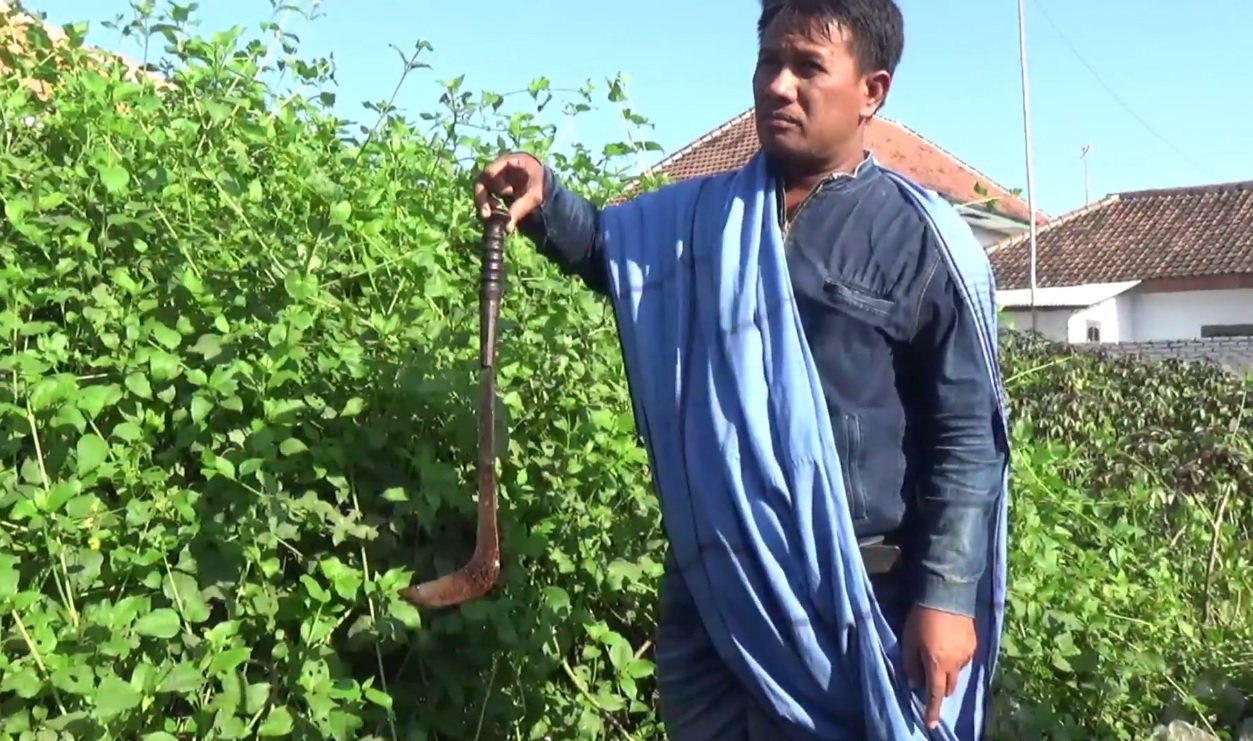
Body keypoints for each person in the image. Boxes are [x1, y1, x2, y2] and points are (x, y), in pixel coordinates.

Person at [472, 0, 1010, 739]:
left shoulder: (922, 243)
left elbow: (966, 437)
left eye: (808, 67)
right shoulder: (707, 218)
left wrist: (946, 597)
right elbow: (614, 256)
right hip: (716, 594)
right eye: (768, 62)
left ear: (871, 92)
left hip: (858, 597)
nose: (778, 85)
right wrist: (542, 197)